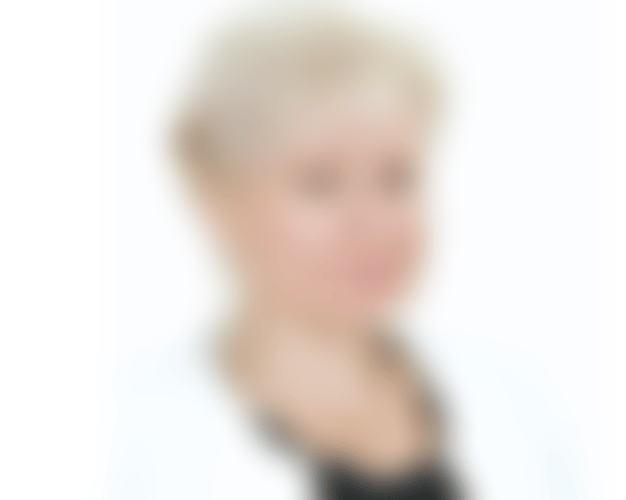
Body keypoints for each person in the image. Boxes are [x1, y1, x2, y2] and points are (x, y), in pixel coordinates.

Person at [114, 7, 466, 500]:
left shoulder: (513, 400)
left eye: (396, 179)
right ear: (220, 198)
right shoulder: (127, 439)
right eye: (319, 184)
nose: (370, 226)